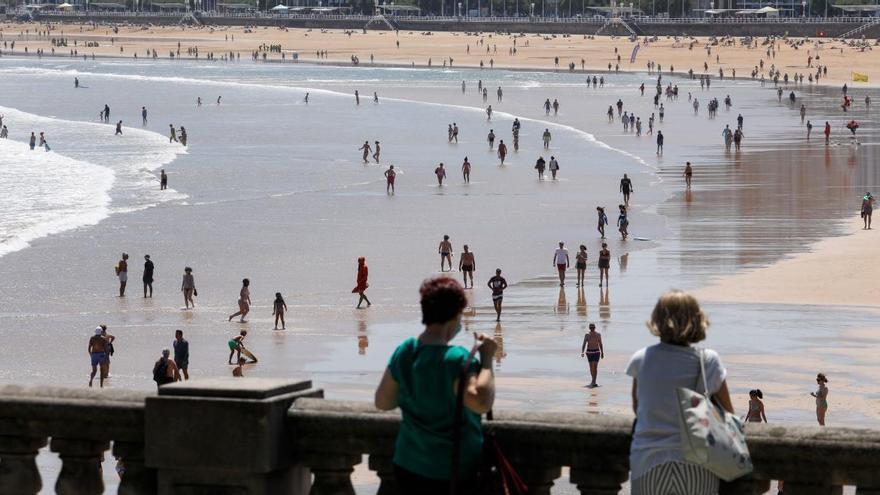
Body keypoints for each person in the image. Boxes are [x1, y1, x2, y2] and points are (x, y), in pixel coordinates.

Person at [374, 277, 497, 494]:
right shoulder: (456, 359)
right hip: (451, 470)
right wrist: (487, 358)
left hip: (408, 464)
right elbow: (480, 402)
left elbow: (383, 402)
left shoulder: (406, 351)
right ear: (455, 314)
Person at [626, 290, 734, 495]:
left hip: (647, 462)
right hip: (696, 464)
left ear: (657, 320)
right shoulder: (708, 360)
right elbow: (729, 414)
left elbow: (638, 408)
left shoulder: (641, 359)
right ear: (696, 321)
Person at [580, 323, 604, 387]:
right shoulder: (587, 335)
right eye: (591, 327)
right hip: (589, 352)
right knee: (591, 367)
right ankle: (593, 380)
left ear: (595, 328)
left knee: (595, 367)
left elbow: (600, 344)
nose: (592, 328)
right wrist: (582, 352)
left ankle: (594, 381)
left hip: (596, 351)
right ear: (589, 328)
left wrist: (602, 352)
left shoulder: (598, 335)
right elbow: (584, 344)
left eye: (593, 327)